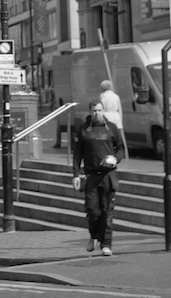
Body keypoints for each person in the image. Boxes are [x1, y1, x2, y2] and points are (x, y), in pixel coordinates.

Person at [72, 98, 125, 256]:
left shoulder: (112, 128)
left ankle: (106, 244)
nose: (97, 113)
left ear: (104, 111)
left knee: (107, 212)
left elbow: (121, 148)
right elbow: (77, 154)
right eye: (94, 110)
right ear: (90, 111)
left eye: (100, 110)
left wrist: (116, 158)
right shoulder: (83, 130)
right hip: (91, 176)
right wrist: (76, 174)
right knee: (93, 210)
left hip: (108, 176)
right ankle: (93, 236)